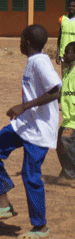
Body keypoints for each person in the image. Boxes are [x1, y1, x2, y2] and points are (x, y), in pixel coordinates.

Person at [0, 24, 61, 239]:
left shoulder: (41, 62)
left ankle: (40, 227)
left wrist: (23, 106)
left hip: (40, 129)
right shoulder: (33, 61)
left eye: (21, 39)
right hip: (24, 124)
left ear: (25, 41)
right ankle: (4, 204)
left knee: (30, 175)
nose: (19, 42)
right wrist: (24, 111)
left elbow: (55, 90)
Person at [57, 41, 75, 186]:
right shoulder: (68, 71)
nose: (64, 54)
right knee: (60, 146)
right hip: (67, 119)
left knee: (65, 140)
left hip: (74, 119)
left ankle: (71, 173)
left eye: (67, 52)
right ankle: (67, 171)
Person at [56, 0, 75, 73]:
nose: (71, 8)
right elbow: (60, 37)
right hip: (64, 54)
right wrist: (58, 53)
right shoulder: (62, 19)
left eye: (73, 6)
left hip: (74, 54)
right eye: (70, 6)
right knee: (64, 77)